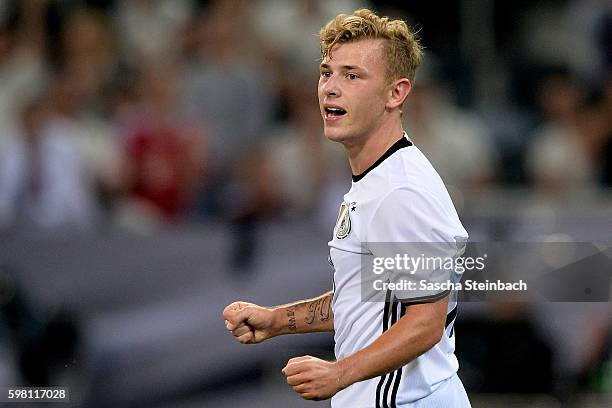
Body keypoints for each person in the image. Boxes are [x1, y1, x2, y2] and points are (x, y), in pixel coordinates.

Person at [223, 9, 471, 407]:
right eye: (326, 72)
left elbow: (426, 321)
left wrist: (338, 373)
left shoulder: (400, 191)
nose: (330, 88)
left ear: (396, 93)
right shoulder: (376, 181)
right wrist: (275, 321)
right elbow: (369, 299)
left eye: (352, 75)